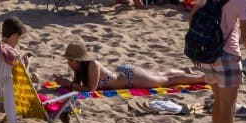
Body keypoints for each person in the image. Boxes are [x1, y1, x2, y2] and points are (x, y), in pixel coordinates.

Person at [63, 41, 206, 91]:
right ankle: (184, 71)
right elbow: (78, 86)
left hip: (130, 77)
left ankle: (202, 78)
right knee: (160, 75)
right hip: (124, 74)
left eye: (70, 60)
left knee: (167, 81)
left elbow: (90, 90)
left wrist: (67, 84)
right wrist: (69, 84)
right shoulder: (79, 68)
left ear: (78, 59)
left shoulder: (92, 64)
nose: (68, 62)